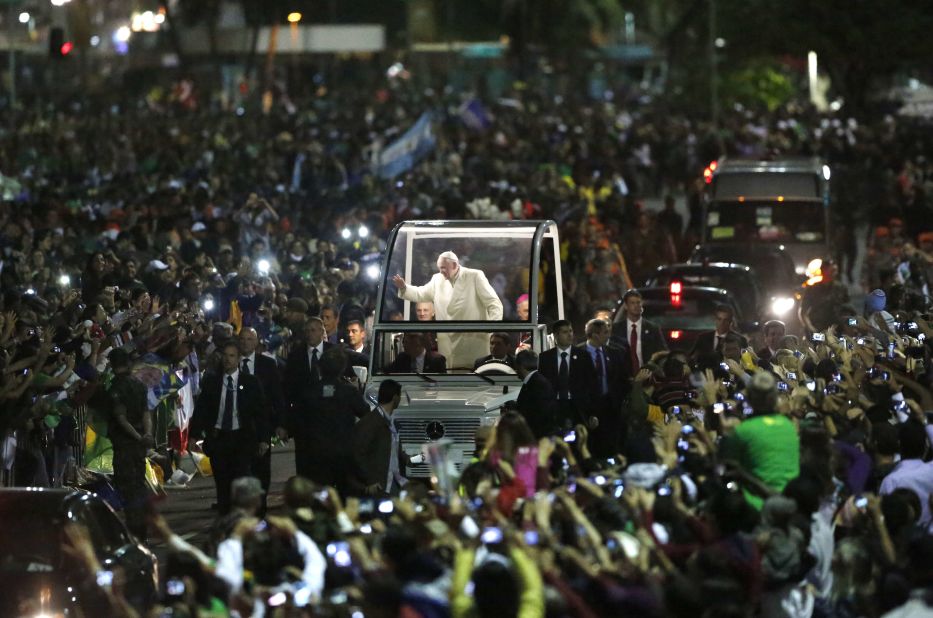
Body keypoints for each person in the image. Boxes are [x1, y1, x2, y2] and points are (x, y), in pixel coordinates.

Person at [190, 341, 270, 514]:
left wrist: (264, 438)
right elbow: (202, 409)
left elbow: (260, 411)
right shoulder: (212, 382)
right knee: (222, 482)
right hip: (219, 438)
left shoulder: (250, 382)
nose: (227, 360)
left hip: (242, 438)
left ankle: (244, 517)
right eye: (225, 356)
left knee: (241, 479)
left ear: (239, 359)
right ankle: (225, 518)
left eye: (232, 356)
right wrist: (194, 435)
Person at [392, 251, 503, 368]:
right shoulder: (437, 279)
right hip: (448, 345)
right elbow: (420, 293)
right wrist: (404, 287)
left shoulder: (474, 276)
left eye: (443, 268)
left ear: (454, 265)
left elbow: (494, 304)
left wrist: (492, 327)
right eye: (439, 268)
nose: (441, 271)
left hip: (473, 343)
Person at [287, 347, 367, 491]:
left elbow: (296, 422)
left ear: (320, 368)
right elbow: (365, 414)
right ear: (342, 368)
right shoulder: (349, 392)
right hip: (343, 453)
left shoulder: (308, 392)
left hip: (314, 454)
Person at [720, 371, 800, 509]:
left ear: (749, 399)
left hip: (757, 507)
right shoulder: (789, 426)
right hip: (793, 501)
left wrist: (726, 435)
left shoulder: (743, 430)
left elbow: (724, 466)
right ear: (775, 398)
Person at [104, 348, 153, 540]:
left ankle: (135, 531)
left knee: (127, 488)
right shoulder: (139, 385)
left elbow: (121, 418)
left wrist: (137, 437)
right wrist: (146, 434)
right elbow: (146, 413)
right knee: (139, 485)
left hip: (125, 444)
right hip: (139, 443)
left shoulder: (116, 388)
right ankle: (143, 529)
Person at [238, 327, 286, 513]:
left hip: (261, 426)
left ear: (256, 342)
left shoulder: (267, 364)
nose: (245, 343)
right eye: (242, 339)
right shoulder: (229, 363)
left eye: (249, 339)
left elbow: (277, 395)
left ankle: (261, 505)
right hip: (237, 426)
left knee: (262, 468)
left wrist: (281, 423)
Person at [351, 379, 412, 496]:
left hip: (393, 482)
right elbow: (357, 453)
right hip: (380, 486)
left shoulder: (387, 421)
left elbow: (391, 449)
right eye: (400, 396)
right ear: (395, 398)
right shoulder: (371, 422)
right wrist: (370, 481)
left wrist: (411, 459)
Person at [579, 318, 629, 458]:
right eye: (605, 332)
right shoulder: (578, 353)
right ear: (595, 335)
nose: (609, 335)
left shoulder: (615, 353)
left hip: (611, 406)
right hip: (588, 408)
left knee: (611, 443)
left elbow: (622, 380)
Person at [538, 319, 596, 430]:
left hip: (577, 408)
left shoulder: (583, 356)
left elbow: (592, 384)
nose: (570, 335)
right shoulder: (545, 358)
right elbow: (542, 386)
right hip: (554, 407)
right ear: (556, 335)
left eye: (571, 331)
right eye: (565, 332)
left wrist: (592, 412)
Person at [613, 289, 667, 372]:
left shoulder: (653, 329)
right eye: (632, 303)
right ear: (626, 306)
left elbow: (663, 352)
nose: (636, 306)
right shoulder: (616, 329)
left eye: (638, 302)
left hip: (647, 376)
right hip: (623, 378)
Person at [514, 349, 557, 438]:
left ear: (521, 366)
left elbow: (538, 413)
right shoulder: (536, 381)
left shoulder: (538, 384)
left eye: (516, 366)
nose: (515, 370)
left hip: (537, 436)